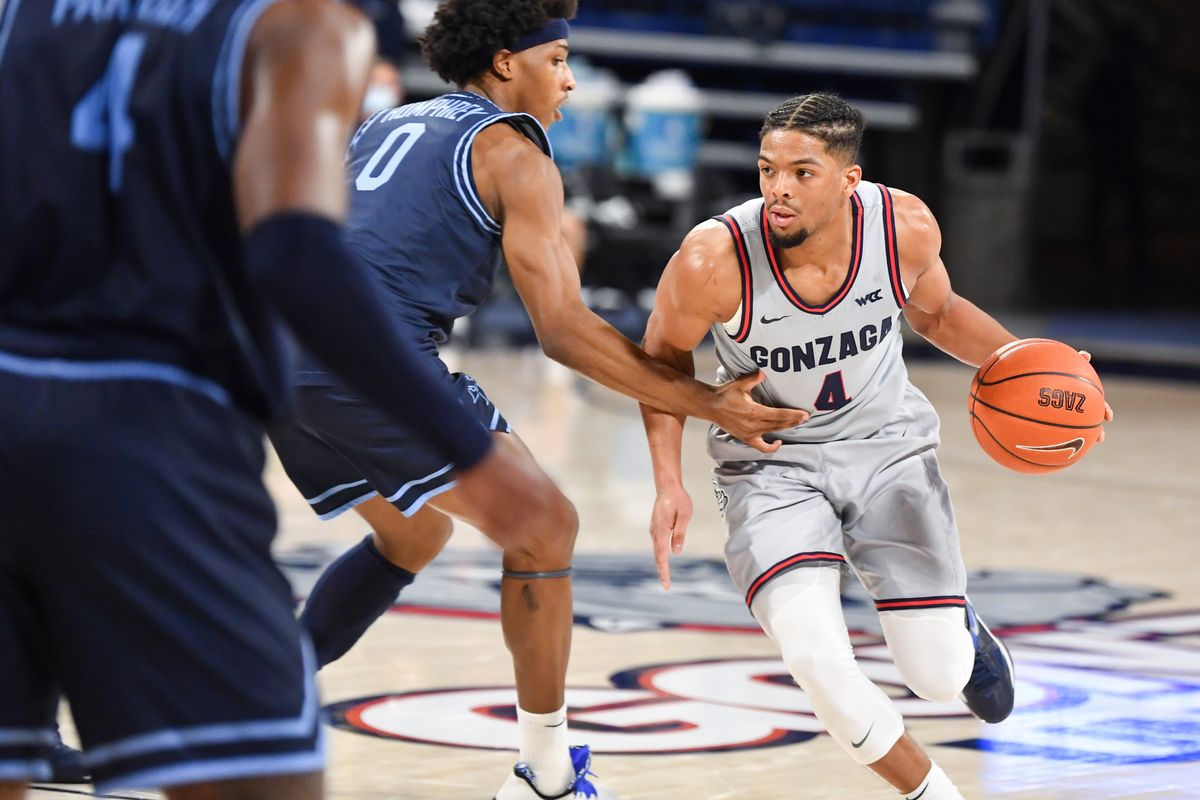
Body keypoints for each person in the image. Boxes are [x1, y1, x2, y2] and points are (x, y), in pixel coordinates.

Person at [0, 0, 553, 796]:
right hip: (145, 425)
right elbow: (293, 250)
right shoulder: (304, 20)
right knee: (265, 778)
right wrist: (468, 449)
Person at [266, 1, 805, 798]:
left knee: (411, 538)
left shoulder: (388, 123)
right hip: (366, 360)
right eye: (555, 59)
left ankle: (261, 700)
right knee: (546, 526)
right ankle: (547, 778)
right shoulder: (513, 154)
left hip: (273, 354)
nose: (569, 78)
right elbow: (563, 330)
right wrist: (708, 401)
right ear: (505, 63)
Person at [637, 93, 1111, 800]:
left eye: (802, 173)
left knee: (937, 676)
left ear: (849, 181)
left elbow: (939, 312)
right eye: (768, 170)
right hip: (771, 462)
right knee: (815, 658)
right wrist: (668, 482)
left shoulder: (903, 229)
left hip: (886, 446)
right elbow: (661, 361)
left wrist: (1024, 359)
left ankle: (966, 637)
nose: (778, 189)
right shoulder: (714, 259)